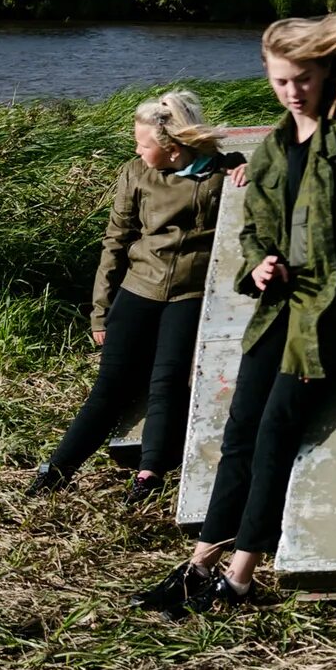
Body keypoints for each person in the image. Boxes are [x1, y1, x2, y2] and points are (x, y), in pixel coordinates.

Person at [135, 5, 336, 617]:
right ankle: (198, 566)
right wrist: (259, 262)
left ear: (327, 74)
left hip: (324, 324)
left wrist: (334, 333)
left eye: (302, 79)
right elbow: (256, 227)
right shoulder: (273, 147)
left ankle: (238, 578)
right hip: (279, 310)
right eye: (280, 80)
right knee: (239, 433)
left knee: (272, 436)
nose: (291, 92)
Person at [31, 89, 235, 504]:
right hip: (137, 293)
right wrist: (100, 312)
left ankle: (148, 476)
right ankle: (57, 469)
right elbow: (115, 243)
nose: (137, 150)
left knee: (168, 385)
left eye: (143, 144)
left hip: (189, 298)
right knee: (108, 389)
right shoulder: (134, 174)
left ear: (171, 147)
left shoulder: (221, 177)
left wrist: (244, 168)